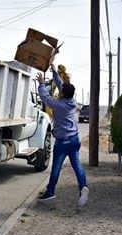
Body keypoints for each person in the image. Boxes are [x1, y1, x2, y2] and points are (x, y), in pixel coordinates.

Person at [36, 64, 89, 206]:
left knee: (56, 167)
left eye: (61, 91)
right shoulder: (71, 101)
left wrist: (41, 84)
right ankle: (83, 186)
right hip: (74, 139)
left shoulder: (59, 105)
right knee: (77, 164)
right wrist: (54, 71)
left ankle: (50, 192)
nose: (60, 90)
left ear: (63, 94)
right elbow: (61, 85)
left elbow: (45, 97)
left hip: (62, 142)